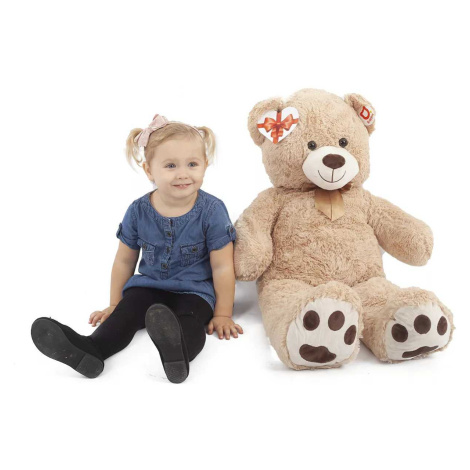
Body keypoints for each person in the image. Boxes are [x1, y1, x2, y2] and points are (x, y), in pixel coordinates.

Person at [31, 114, 242, 383]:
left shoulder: (212, 211)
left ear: (205, 165)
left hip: (195, 291)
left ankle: (178, 351)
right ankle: (92, 350)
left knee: (189, 320)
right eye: (170, 165)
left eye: (192, 164)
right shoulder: (138, 210)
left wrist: (223, 314)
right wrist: (114, 304)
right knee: (126, 315)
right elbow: (124, 261)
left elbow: (222, 266)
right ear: (149, 170)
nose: (183, 173)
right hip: (148, 287)